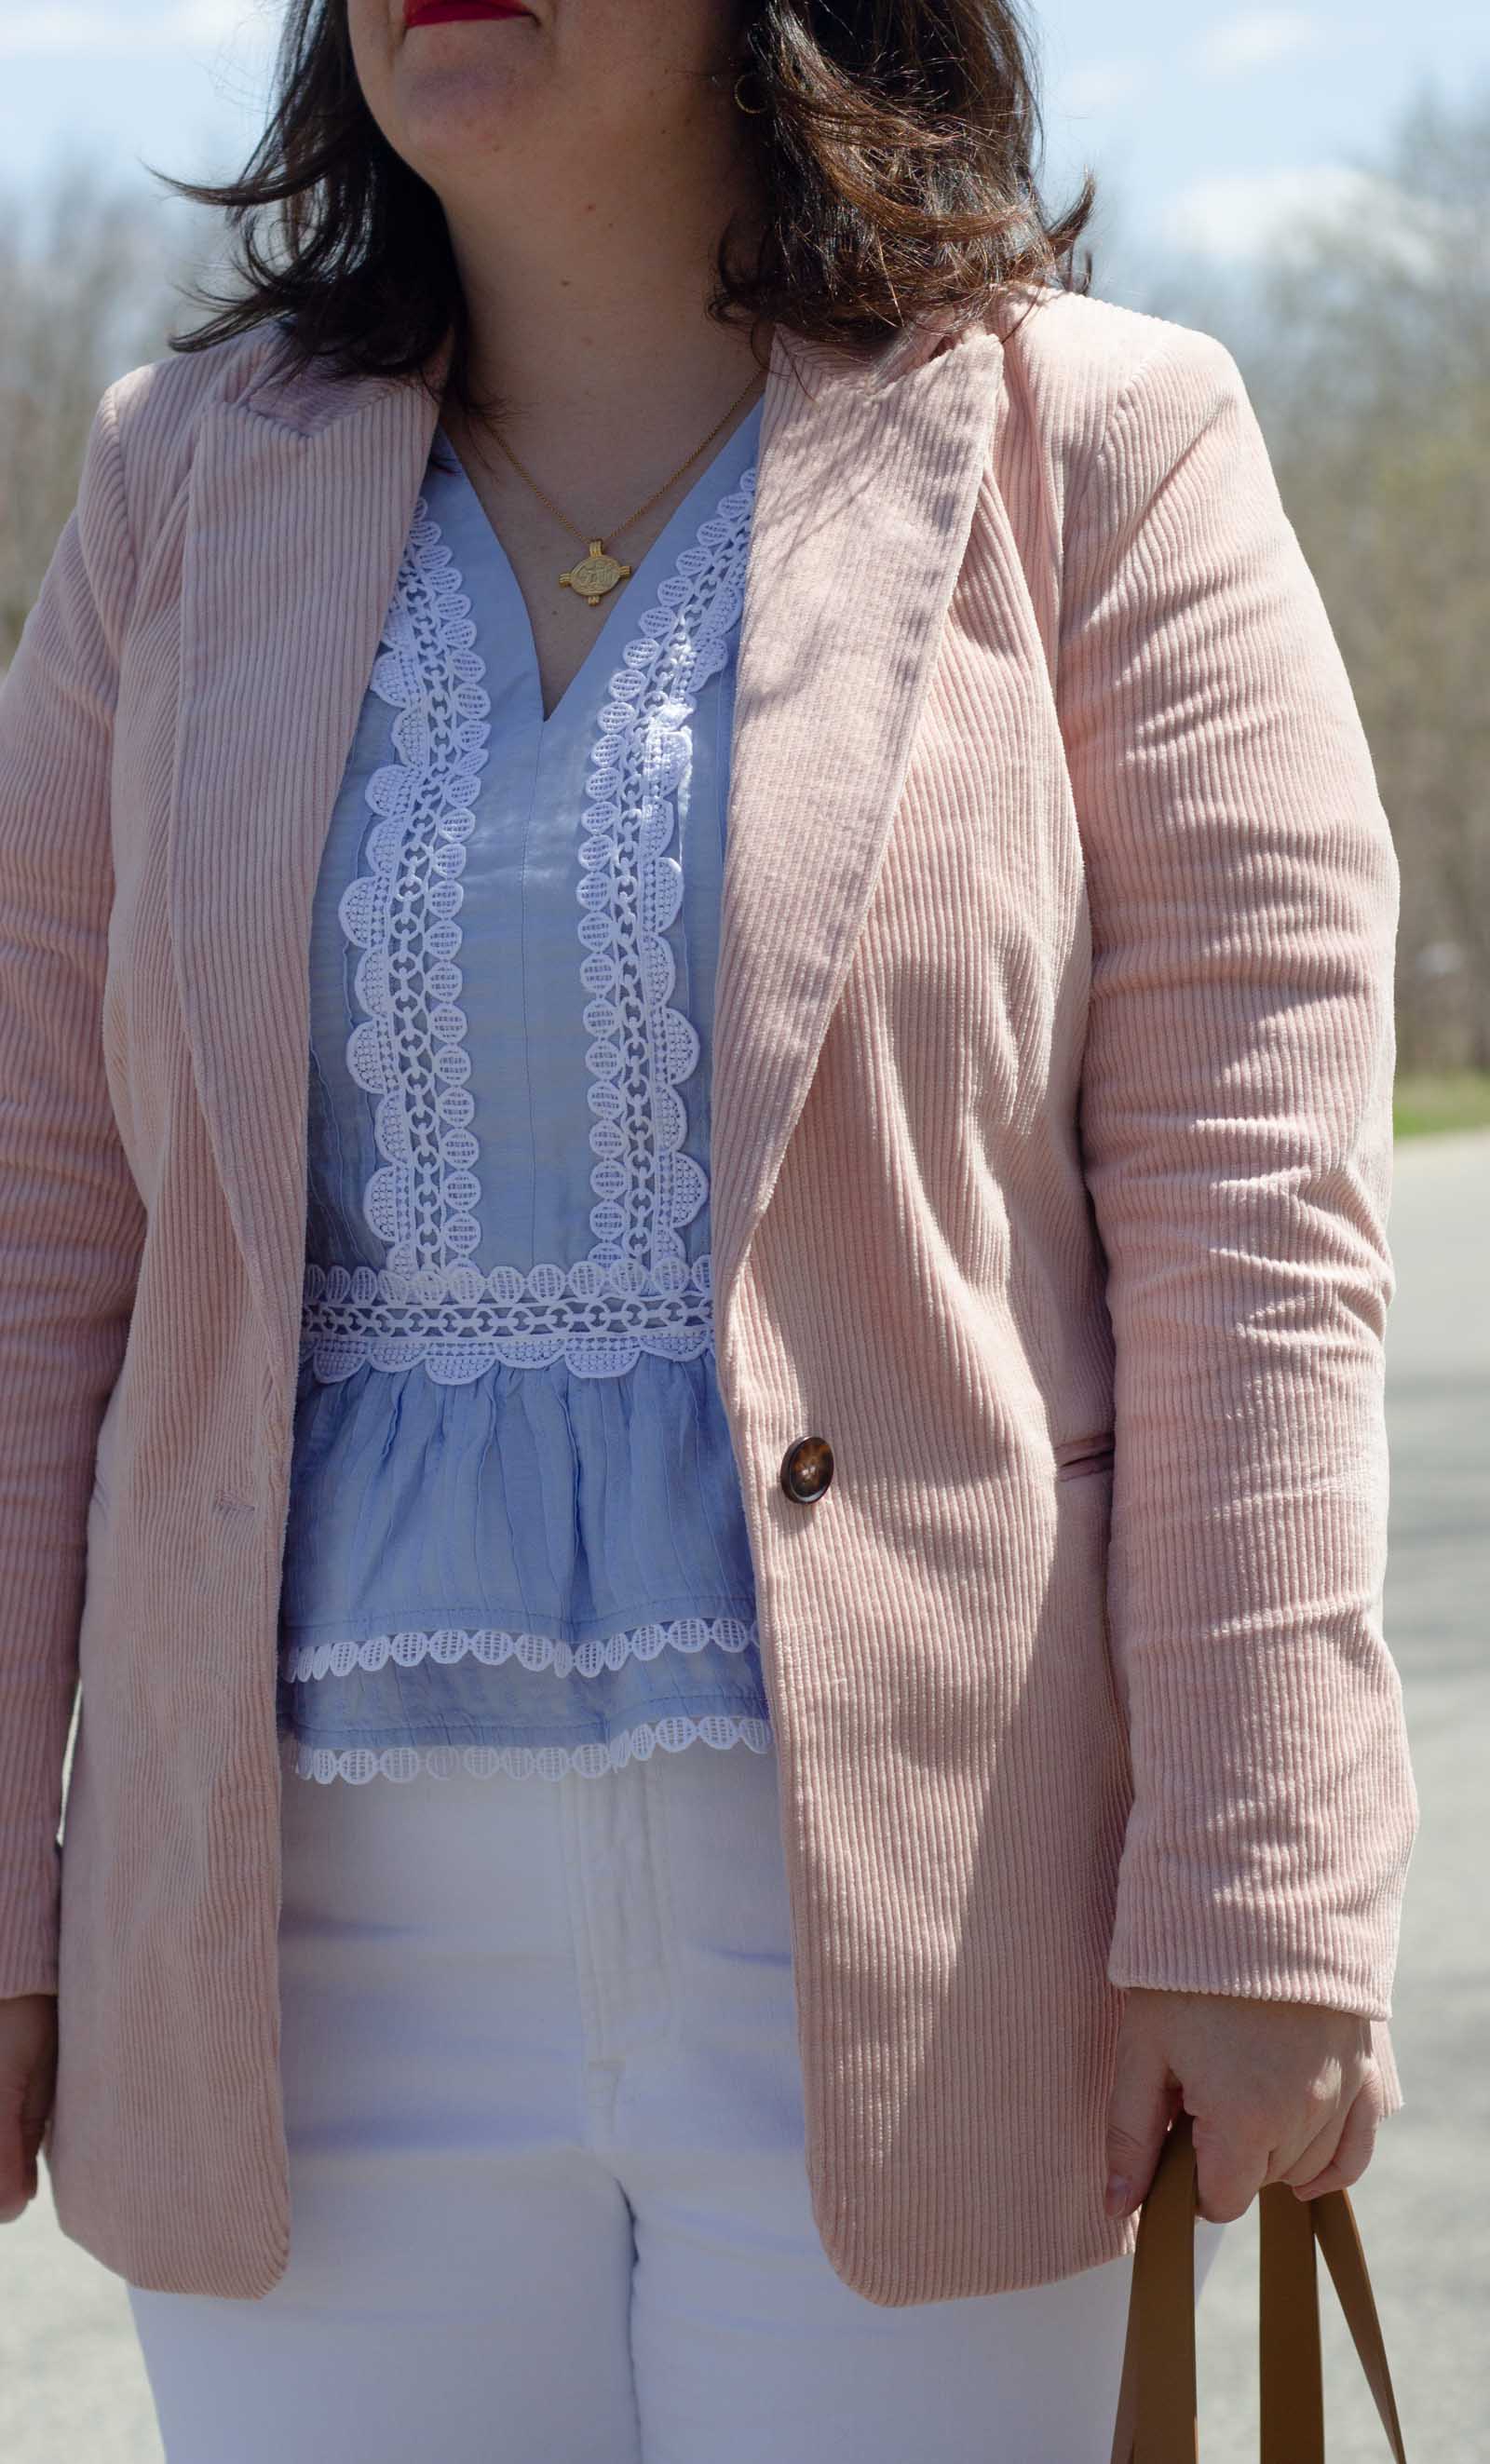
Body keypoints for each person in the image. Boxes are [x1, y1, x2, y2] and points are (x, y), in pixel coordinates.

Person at [0, 3, 1418, 2457]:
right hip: (289, 1990)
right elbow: (33, 1227)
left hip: (929, 1948)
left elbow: (1257, 1218)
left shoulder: (1097, 448)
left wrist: (1260, 1879)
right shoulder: (174, 497)